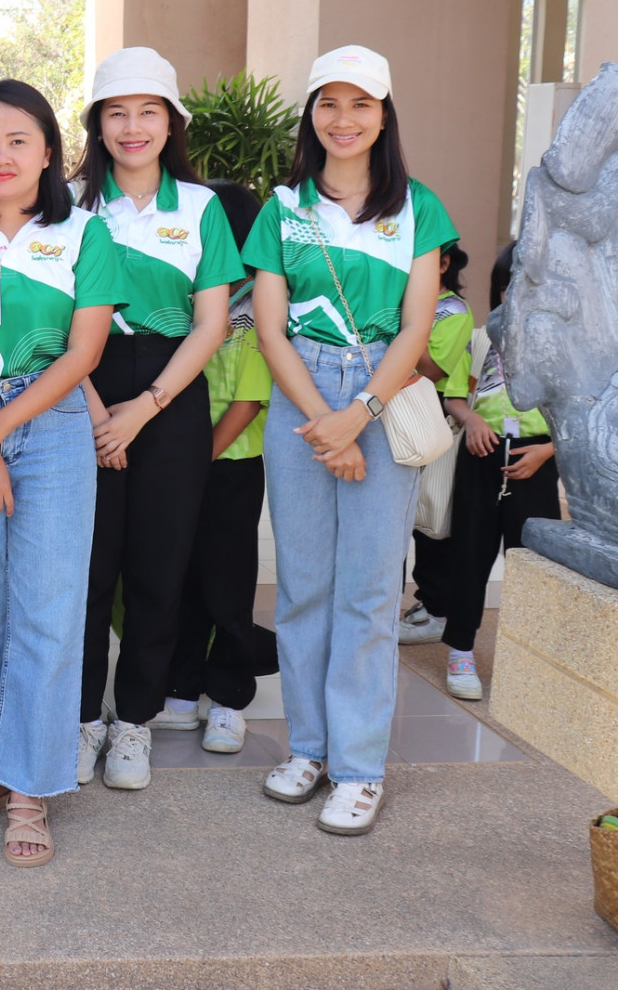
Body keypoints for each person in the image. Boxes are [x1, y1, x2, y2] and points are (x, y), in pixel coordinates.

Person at [242, 44, 456, 836]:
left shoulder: (418, 209)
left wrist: (355, 416)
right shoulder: (281, 209)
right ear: (310, 115)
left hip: (379, 394)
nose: (343, 120)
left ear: (383, 115)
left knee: (367, 595)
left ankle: (358, 768)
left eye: (359, 105)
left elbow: (415, 328)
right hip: (300, 394)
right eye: (327, 104)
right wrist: (322, 422)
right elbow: (268, 330)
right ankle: (308, 749)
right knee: (303, 590)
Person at [0, 79, 124, 867]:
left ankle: (31, 786)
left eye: (17, 141)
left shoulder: (84, 236)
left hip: (51, 425)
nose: (0, 156)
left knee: (46, 610)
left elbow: (84, 351)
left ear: (48, 151)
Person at [73, 48, 240, 790]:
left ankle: (132, 723)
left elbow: (209, 326)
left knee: (156, 569)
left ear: (171, 123)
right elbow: (54, 317)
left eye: (148, 112)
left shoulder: (202, 208)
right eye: (116, 112)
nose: (132, 127)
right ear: (97, 124)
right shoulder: (70, 203)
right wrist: (93, 409)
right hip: (78, 384)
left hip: (169, 395)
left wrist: (141, 410)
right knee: (83, 569)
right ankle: (79, 720)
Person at [410, 245, 559, 700]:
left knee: (532, 566)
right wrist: (472, 421)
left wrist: (546, 452)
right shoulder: (480, 339)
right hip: (482, 453)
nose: (515, 294)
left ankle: (528, 662)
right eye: (507, 284)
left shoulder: (563, 348)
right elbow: (454, 396)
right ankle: (460, 653)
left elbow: (582, 418)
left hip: (536, 461)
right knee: (468, 557)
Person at [162, 180, 270, 753]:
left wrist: (193, 457)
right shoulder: (189, 298)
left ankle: (228, 698)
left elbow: (250, 399)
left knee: (227, 581)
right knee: (177, 576)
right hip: (177, 464)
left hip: (230, 465)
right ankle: (180, 686)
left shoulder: (256, 306)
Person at [396, 246, 476, 654]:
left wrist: (404, 331)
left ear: (444, 264)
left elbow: (432, 368)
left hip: (432, 418)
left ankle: (435, 609)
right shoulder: (404, 299)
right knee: (397, 521)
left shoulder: (452, 311)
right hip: (397, 412)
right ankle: (403, 605)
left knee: (430, 518)